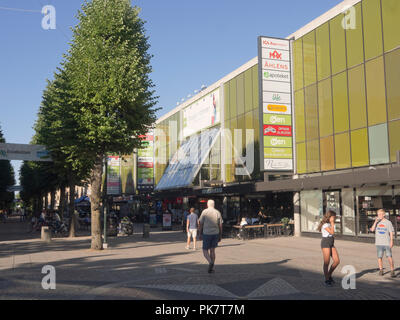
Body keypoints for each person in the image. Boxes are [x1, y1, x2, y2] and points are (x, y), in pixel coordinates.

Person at [198, 200, 223, 273]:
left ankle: (210, 262)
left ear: (207, 204)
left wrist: (199, 233)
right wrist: (220, 235)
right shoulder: (217, 212)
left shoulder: (205, 212)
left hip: (206, 233)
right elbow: (220, 225)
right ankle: (212, 267)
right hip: (215, 233)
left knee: (205, 250)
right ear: (214, 205)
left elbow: (201, 223)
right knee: (212, 250)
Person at [370, 209, 396, 278]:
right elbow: (372, 230)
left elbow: (391, 232)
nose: (379, 216)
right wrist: (375, 221)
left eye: (380, 214)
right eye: (378, 214)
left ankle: (392, 270)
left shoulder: (388, 222)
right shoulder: (377, 222)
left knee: (389, 257)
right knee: (379, 257)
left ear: (384, 215)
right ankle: (381, 270)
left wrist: (391, 241)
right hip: (379, 243)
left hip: (387, 243)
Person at [317, 210, 340, 287]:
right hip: (326, 243)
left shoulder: (329, 224)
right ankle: (327, 280)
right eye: (333, 217)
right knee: (327, 262)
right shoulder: (325, 225)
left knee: (337, 261)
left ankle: (329, 275)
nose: (334, 219)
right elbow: (332, 232)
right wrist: (333, 224)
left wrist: (332, 224)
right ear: (330, 217)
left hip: (331, 243)